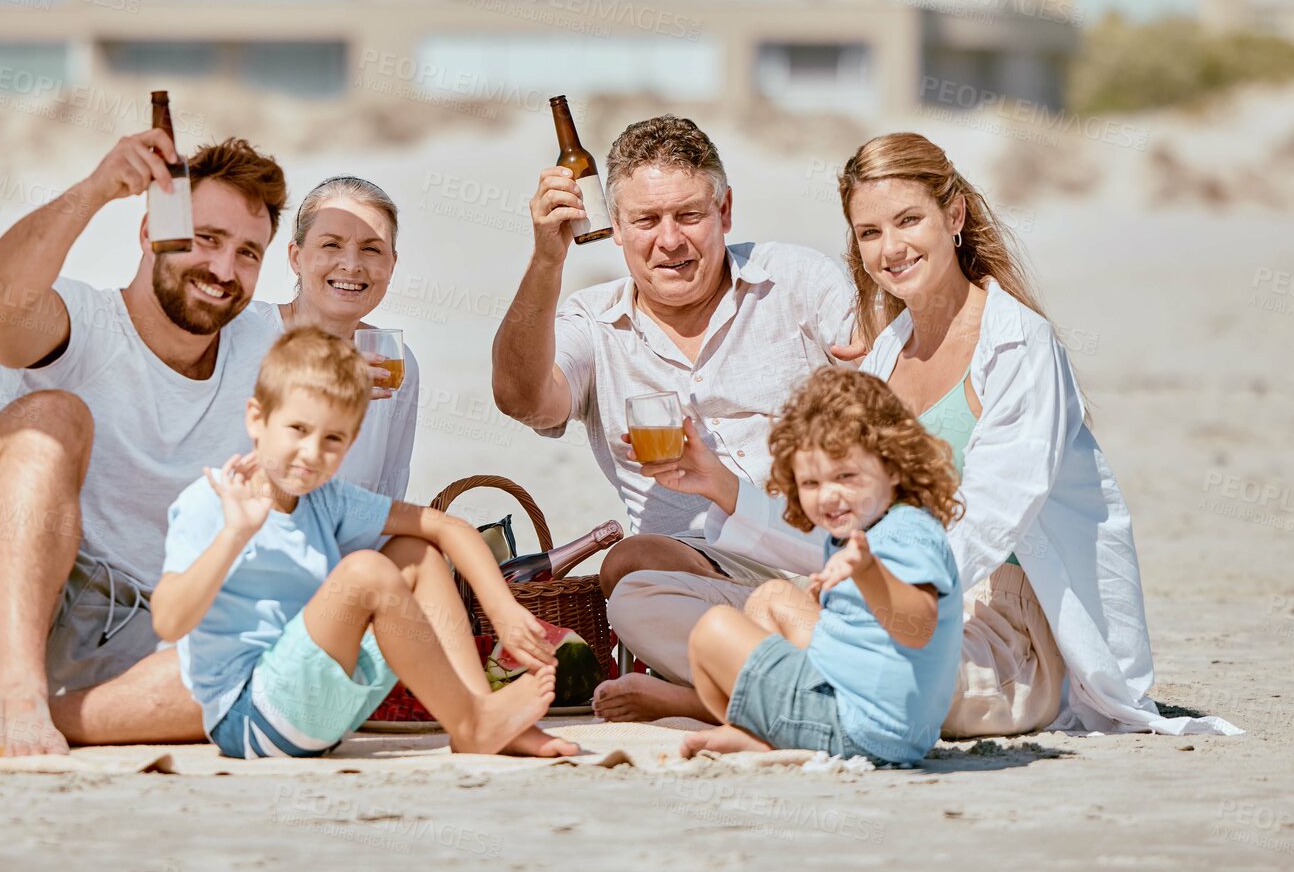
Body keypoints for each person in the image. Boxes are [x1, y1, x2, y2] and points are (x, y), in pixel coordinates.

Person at [677, 131, 1237, 737]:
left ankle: (729, 702)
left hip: (1010, 622)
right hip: (893, 593)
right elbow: (840, 516)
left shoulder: (1019, 343)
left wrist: (895, 598)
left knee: (810, 647)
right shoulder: (885, 357)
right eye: (869, 233)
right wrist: (724, 487)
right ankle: (771, 694)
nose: (890, 248)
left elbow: (995, 512)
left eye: (908, 221)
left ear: (954, 216)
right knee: (751, 607)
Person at [0, 129, 289, 754]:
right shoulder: (83, 324)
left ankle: (2, 712)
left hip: (120, 637)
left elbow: (343, 284)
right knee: (54, 416)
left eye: (248, 253)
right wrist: (97, 189)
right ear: (151, 233)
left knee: (272, 670)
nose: (223, 270)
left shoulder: (264, 343)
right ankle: (17, 695)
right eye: (206, 239)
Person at [491, 114, 854, 724]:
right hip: (706, 574)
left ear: (725, 211)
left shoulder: (798, 281)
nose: (670, 240)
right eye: (645, 220)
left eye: (689, 216)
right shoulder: (591, 320)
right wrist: (546, 261)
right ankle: (809, 675)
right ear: (615, 229)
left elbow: (886, 397)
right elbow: (522, 398)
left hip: (822, 548)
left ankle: (714, 694)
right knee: (630, 572)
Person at [155, 327, 579, 759]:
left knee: (416, 554)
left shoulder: (325, 498)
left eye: (332, 440)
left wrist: (504, 611)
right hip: (249, 718)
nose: (311, 453)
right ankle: (473, 721)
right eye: (297, 428)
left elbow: (447, 527)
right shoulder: (211, 501)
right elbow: (168, 623)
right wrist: (235, 533)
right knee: (367, 571)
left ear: (349, 442)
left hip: (323, 707)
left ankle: (481, 716)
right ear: (256, 419)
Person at [678, 367, 964, 764]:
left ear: (895, 467)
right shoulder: (864, 528)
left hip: (864, 727)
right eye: (810, 483)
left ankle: (767, 735)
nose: (828, 496)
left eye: (845, 476)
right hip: (873, 713)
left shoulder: (906, 532)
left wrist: (868, 574)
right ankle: (761, 730)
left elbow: (918, 628)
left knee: (713, 629)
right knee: (772, 597)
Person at [248, 175, 419, 498]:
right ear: (296, 257)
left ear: (392, 265)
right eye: (331, 245)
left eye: (371, 249)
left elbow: (387, 496)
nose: (352, 265)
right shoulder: (249, 330)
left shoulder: (395, 361)